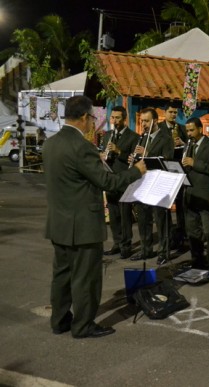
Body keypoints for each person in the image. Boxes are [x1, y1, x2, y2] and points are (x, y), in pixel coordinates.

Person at [44, 95, 146, 338]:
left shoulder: (51, 143)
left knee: (62, 276)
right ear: (83, 117)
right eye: (92, 118)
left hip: (59, 221)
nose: (93, 122)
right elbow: (107, 182)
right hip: (83, 224)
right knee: (86, 279)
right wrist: (136, 171)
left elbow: (71, 176)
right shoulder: (82, 146)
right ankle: (83, 325)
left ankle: (59, 321)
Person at [130, 108, 174, 265]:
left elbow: (167, 159)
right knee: (143, 218)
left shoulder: (165, 138)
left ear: (155, 121)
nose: (144, 124)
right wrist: (134, 159)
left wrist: (147, 152)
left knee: (160, 219)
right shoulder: (142, 137)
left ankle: (163, 251)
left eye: (146, 121)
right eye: (142, 121)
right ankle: (146, 249)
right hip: (143, 182)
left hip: (159, 183)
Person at [182, 117, 209, 277]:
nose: (189, 133)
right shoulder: (189, 145)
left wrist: (195, 163)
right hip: (190, 195)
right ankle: (197, 263)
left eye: (192, 130)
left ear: (200, 129)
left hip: (206, 196)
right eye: (187, 130)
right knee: (193, 232)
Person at [101, 106, 140, 259]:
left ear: (124, 119)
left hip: (124, 180)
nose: (115, 121)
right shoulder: (107, 135)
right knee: (113, 215)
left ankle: (126, 245)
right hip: (110, 179)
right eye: (113, 118)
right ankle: (117, 243)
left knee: (124, 215)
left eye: (118, 118)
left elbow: (133, 160)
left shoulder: (133, 137)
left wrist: (118, 151)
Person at [158, 103, 187, 251]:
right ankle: (167, 237)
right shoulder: (159, 127)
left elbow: (191, 146)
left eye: (175, 113)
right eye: (170, 112)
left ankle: (181, 236)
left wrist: (183, 143)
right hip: (164, 171)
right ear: (164, 112)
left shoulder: (181, 128)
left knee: (181, 206)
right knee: (165, 207)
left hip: (178, 170)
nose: (173, 115)